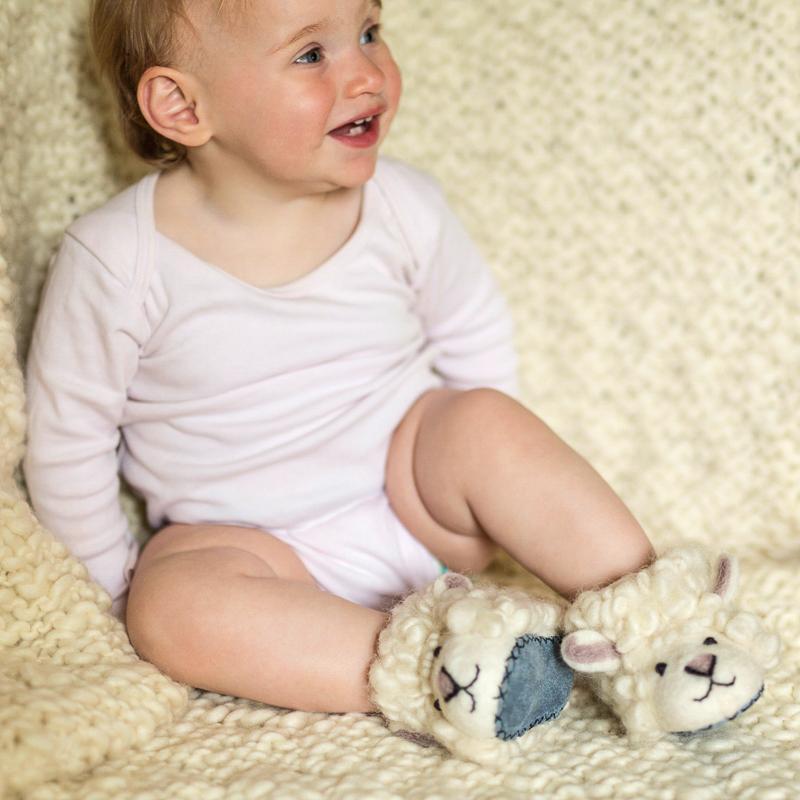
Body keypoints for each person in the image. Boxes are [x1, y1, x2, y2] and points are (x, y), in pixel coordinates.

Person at [24, 0, 655, 726]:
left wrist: (485, 474)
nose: (368, 74)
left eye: (369, 33)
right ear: (181, 105)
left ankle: (654, 612)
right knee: (165, 608)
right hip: (257, 557)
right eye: (310, 55)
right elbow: (70, 442)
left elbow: (472, 332)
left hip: (421, 508)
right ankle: (443, 673)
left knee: (480, 418)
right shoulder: (117, 262)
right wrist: (109, 592)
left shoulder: (400, 206)